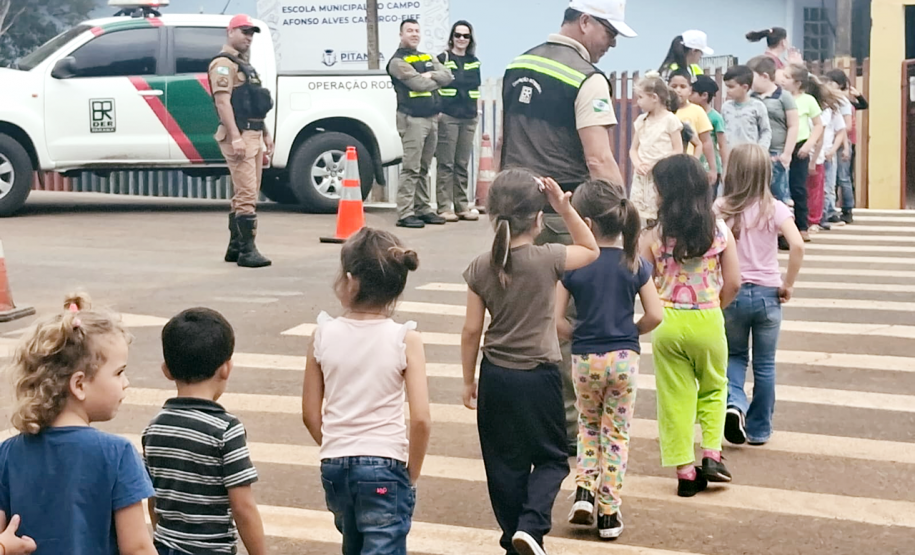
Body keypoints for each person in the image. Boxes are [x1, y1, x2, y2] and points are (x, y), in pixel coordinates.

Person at [499, 0, 636, 455]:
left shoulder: (517, 64)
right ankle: (567, 428)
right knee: (563, 323)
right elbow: (598, 157)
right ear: (585, 22)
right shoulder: (586, 77)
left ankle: (518, 419)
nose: (612, 43)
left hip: (513, 208)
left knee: (515, 314)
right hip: (563, 214)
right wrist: (622, 213)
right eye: (609, 32)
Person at [461, 170, 599, 555]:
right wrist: (565, 207)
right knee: (553, 459)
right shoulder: (547, 258)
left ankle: (515, 539)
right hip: (539, 377)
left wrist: (468, 380)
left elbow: (472, 330)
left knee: (504, 466)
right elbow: (591, 249)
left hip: (495, 377)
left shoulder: (480, 267)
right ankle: (531, 527)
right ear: (539, 220)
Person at [302, 228, 431, 555]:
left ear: (350, 280)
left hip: (334, 466)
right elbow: (421, 420)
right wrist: (410, 473)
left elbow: (309, 413)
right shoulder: (404, 339)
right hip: (385, 465)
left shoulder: (322, 334)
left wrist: (338, 445)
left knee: (354, 543)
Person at [0, 293, 157, 555]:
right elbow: (138, 548)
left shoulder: (7, 454)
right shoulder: (117, 454)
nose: (126, 382)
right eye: (119, 372)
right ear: (80, 384)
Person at [555, 180, 663, 541]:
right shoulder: (634, 261)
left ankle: (584, 490)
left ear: (585, 221)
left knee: (588, 425)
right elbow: (656, 315)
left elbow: (556, 320)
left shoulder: (573, 265)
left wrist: (579, 334)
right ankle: (609, 512)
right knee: (615, 433)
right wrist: (630, 330)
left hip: (585, 358)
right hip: (623, 358)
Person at [640, 155, 741, 498]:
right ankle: (712, 455)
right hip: (708, 316)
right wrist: (714, 307)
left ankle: (685, 471)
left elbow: (638, 276)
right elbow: (735, 282)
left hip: (667, 321)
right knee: (714, 388)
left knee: (675, 398)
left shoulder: (654, 233)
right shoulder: (718, 229)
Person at [143, 308, 266, 555]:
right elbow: (243, 506)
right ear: (226, 368)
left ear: (166, 370)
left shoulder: (155, 427)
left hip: (165, 547)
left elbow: (153, 499)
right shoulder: (225, 430)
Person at [716, 144, 805, 447]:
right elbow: (798, 245)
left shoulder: (721, 208)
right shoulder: (775, 208)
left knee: (734, 356)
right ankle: (759, 429)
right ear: (766, 173)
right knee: (765, 364)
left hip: (732, 294)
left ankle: (734, 405)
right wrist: (788, 283)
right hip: (769, 294)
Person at [209, 14, 274, 268]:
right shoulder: (223, 65)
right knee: (247, 193)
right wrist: (235, 137)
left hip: (254, 133)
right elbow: (223, 102)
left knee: (246, 191)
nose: (248, 37)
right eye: (244, 31)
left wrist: (266, 134)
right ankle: (248, 252)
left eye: (251, 33)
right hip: (241, 135)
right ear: (230, 32)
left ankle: (235, 247)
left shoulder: (244, 65)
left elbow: (253, 104)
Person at [387, 19, 454, 229]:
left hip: (432, 118)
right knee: (411, 167)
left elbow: (448, 76)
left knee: (424, 168)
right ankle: (405, 212)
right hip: (413, 120)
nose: (414, 34)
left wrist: (432, 74)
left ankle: (423, 208)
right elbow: (418, 83)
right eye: (409, 31)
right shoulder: (397, 62)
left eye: (416, 30)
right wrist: (432, 79)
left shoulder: (426, 56)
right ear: (401, 34)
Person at [436, 20, 482, 222]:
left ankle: (462, 205)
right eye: (458, 35)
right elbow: (433, 85)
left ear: (470, 39)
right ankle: (444, 207)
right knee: (446, 163)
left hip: (469, 117)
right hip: (448, 116)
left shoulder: (474, 60)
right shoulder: (443, 58)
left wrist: (477, 111)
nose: (461, 39)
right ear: (452, 37)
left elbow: (476, 89)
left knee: (462, 163)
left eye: (466, 36)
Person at [778, 64, 824, 242]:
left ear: (797, 83)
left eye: (787, 77)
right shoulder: (780, 97)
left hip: (800, 147)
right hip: (782, 145)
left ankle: (802, 226)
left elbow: (818, 125)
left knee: (798, 187)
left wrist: (809, 145)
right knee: (780, 189)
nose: (782, 80)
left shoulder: (808, 100)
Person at [629, 73, 683, 222]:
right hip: (642, 176)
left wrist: (657, 164)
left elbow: (678, 150)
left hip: (661, 174)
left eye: (640, 97)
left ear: (654, 97)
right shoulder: (641, 121)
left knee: (660, 213)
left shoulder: (670, 120)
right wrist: (638, 164)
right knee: (638, 215)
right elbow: (633, 149)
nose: (638, 102)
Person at [749, 55, 798, 204]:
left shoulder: (784, 97)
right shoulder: (751, 98)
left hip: (777, 153)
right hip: (757, 152)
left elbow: (793, 125)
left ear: (764, 76)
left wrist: (787, 153)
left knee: (779, 195)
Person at [824, 69, 867, 224]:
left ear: (840, 84)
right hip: (836, 141)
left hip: (843, 142)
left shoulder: (843, 101)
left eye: (831, 82)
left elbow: (846, 126)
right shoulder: (835, 99)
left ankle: (847, 210)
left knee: (843, 177)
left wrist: (840, 140)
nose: (827, 85)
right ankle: (832, 209)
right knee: (833, 178)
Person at [669, 70, 718, 185]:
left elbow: (706, 141)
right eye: (674, 86)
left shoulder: (697, 111)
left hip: (689, 168)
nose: (678, 90)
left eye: (683, 86)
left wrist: (712, 169)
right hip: (666, 167)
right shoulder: (663, 111)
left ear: (690, 89)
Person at [809, 82, 846, 232]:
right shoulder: (817, 110)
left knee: (824, 188)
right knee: (816, 188)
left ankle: (821, 217)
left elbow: (839, 130)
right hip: (816, 153)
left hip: (822, 153)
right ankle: (819, 217)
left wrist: (832, 150)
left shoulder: (827, 112)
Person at [721, 65, 772, 152]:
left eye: (731, 87)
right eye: (727, 87)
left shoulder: (758, 106)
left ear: (745, 87)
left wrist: (760, 150)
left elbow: (766, 131)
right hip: (731, 155)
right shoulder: (726, 107)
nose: (727, 90)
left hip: (750, 155)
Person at [691, 76, 728, 189]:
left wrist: (724, 169)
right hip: (692, 165)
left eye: (692, 92)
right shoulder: (689, 114)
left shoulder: (715, 117)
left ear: (704, 95)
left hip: (708, 167)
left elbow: (722, 145)